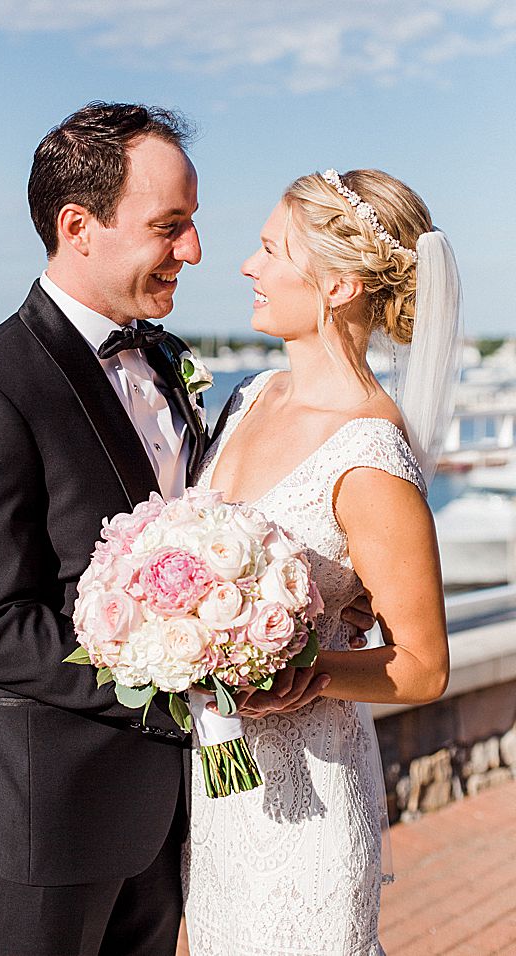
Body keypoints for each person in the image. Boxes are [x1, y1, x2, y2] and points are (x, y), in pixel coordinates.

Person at [0, 102, 216, 956]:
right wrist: (176, 692)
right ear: (80, 226)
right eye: (170, 226)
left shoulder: (163, 360)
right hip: (45, 815)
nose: (192, 251)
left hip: (163, 813)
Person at [183, 169, 457, 954]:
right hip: (220, 793)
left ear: (338, 285)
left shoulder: (370, 456)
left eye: (271, 249)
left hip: (311, 798)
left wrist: (312, 673)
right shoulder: (251, 397)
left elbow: (425, 667)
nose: (247, 265)